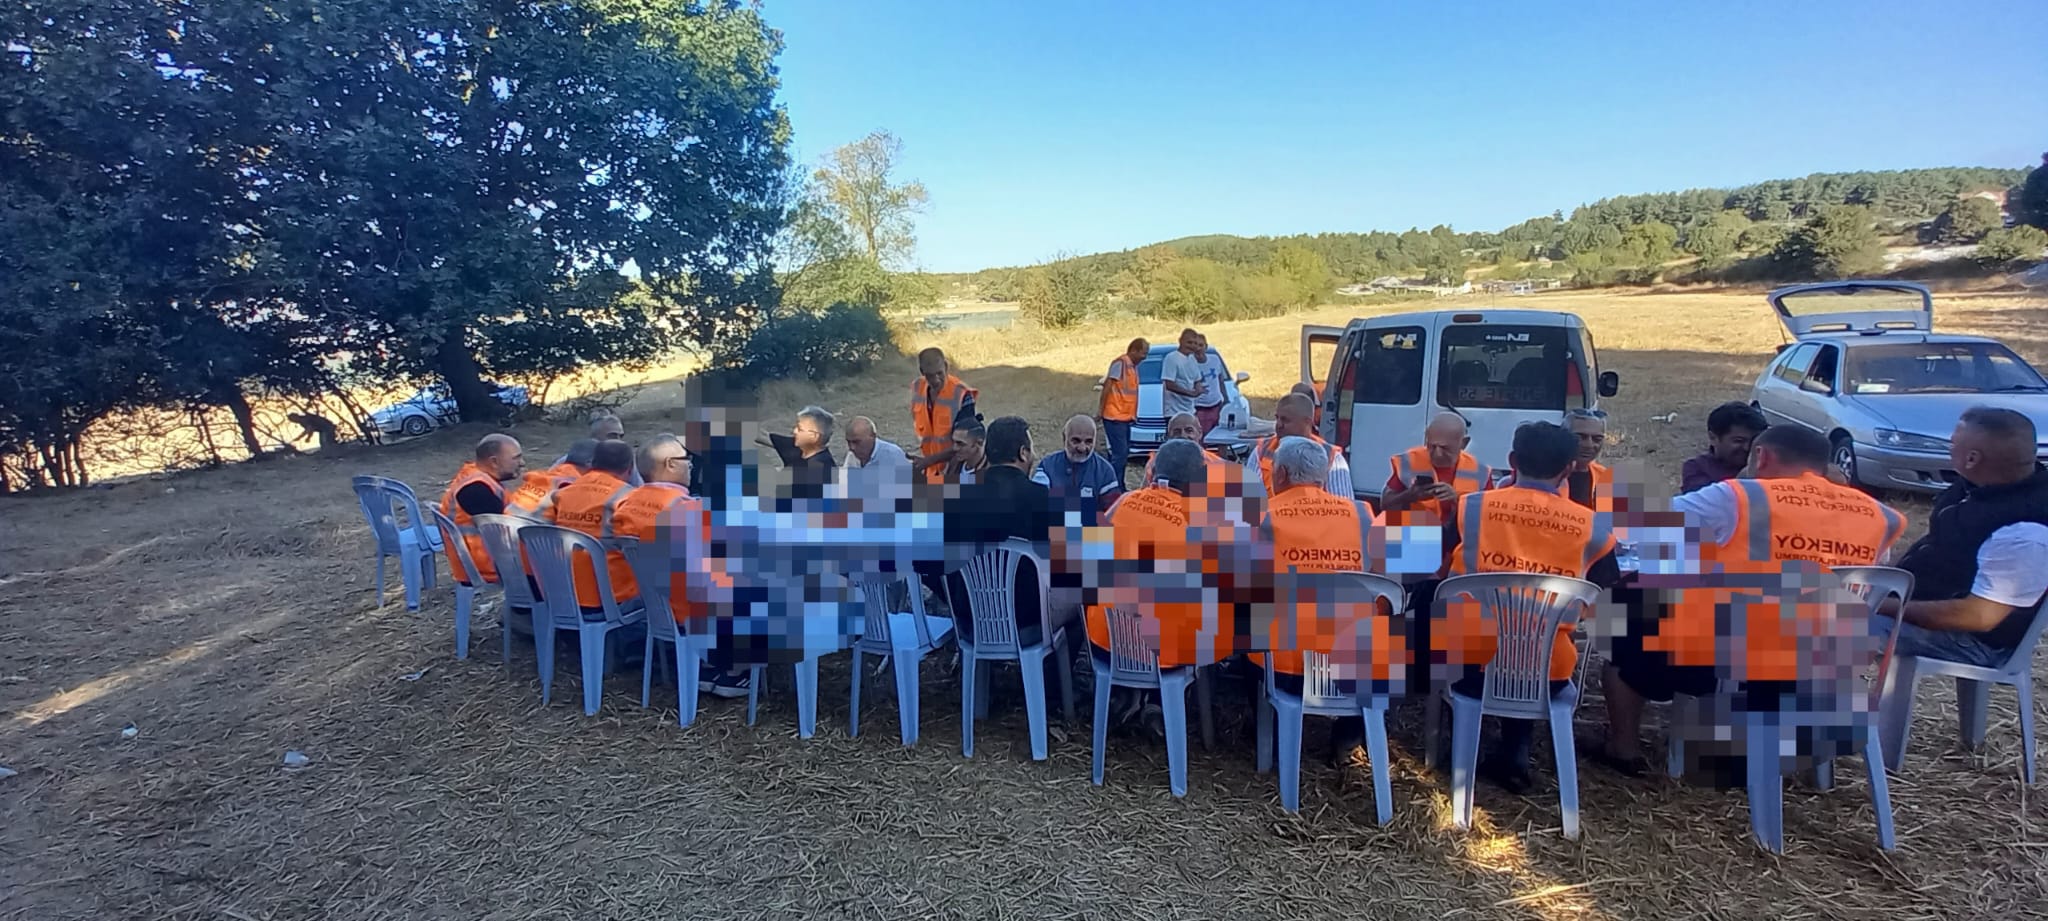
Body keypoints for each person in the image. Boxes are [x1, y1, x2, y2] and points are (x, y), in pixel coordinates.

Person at [1590, 424, 1905, 774]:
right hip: (1830, 668)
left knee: (1620, 628)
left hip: (1741, 667)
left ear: (1761, 456)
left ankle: (1623, 749)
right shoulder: (1881, 516)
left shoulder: (1742, 496)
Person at [1436, 421, 1619, 792]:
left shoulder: (1471, 508)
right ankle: (1515, 751)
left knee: (1437, 609)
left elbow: (1438, 567)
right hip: (1547, 671)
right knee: (1531, 638)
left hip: (1470, 665)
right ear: (1569, 469)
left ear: (1512, 461)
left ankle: (1455, 746)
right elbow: (1603, 587)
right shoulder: (1595, 528)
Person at [1250, 436, 1387, 761]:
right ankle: (1350, 733)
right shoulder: (1364, 514)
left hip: (1285, 666)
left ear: (1279, 475)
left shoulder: (1262, 516)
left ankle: (1268, 734)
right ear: (1323, 478)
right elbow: (1386, 583)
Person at [1879, 407, 2048, 670]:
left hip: (1971, 642)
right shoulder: (1981, 485)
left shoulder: (2025, 531)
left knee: (1823, 627)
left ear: (1972, 459)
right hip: (1915, 605)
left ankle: (1818, 710)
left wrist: (1879, 604)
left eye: (1952, 443)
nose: (1948, 447)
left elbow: (1979, 616)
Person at [942, 417, 1061, 642]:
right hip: (1027, 624)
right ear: (1023, 452)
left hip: (971, 623)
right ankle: (1055, 674)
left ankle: (979, 672)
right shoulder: (1046, 499)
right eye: (1032, 449)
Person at [544, 440, 643, 613]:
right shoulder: (628, 497)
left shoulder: (562, 494)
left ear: (593, 463)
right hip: (614, 598)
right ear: (629, 469)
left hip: (566, 593)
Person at [439, 433, 524, 584]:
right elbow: (506, 531)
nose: (522, 463)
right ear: (494, 462)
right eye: (516, 458)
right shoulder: (476, 490)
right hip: (484, 567)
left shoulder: (474, 473)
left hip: (479, 560)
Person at [1381, 412, 1491, 525]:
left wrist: (1458, 499)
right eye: (1432, 446)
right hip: (1417, 535)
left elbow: (1489, 514)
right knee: (1384, 530)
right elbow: (1385, 504)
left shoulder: (1480, 472)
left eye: (1445, 448)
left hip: (1460, 535)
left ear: (1463, 443)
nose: (1437, 454)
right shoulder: (1408, 462)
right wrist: (1410, 495)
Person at [1497, 408, 1613, 513]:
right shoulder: (1538, 474)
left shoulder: (1605, 478)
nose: (1589, 444)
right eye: (1580, 437)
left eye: (1597, 439)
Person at [1245, 393, 1350, 498]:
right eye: (1277, 418)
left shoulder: (1332, 457)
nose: (1279, 425)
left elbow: (1343, 505)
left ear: (1307, 422)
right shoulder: (1262, 451)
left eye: (1286, 420)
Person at [1034, 415, 1125, 527]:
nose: (1082, 448)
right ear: (1064, 438)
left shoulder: (1105, 471)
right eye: (1076, 441)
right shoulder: (1047, 466)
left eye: (1088, 442)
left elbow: (1113, 514)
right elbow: (1037, 507)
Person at [911, 348, 978, 484]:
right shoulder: (917, 388)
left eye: (940, 373)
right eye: (930, 375)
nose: (936, 380)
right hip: (930, 470)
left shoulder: (962, 394)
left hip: (956, 468)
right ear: (922, 372)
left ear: (946, 366)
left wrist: (928, 461)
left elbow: (965, 443)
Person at [1680, 402, 1767, 495]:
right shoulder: (1697, 468)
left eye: (1753, 440)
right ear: (1713, 438)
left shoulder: (1766, 464)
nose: (1747, 447)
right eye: (1739, 441)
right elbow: (1706, 504)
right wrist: (1747, 473)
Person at [508, 438, 596, 520]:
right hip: (534, 533)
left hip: (503, 527)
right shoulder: (573, 484)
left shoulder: (545, 476)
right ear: (589, 462)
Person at [760, 405, 838, 499]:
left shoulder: (823, 474)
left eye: (800, 429)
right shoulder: (800, 448)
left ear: (814, 437)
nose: (794, 431)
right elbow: (764, 437)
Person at [1099, 338, 1147, 475]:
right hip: (1114, 416)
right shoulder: (1121, 363)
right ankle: (1114, 485)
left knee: (1122, 454)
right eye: (1143, 353)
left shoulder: (1132, 367)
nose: (1145, 357)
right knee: (1119, 454)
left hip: (1124, 417)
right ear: (1134, 351)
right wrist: (1100, 411)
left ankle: (1117, 483)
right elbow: (1107, 387)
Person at [553, 414, 642, 487]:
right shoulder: (570, 460)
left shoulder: (626, 461)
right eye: (612, 435)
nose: (618, 440)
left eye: (621, 436)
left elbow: (638, 489)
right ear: (594, 436)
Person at [1160, 329, 1205, 425]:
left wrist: (1198, 389)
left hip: (1190, 409)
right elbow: (1169, 384)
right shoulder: (1171, 358)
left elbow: (1197, 380)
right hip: (1174, 411)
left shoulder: (1192, 359)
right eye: (1189, 342)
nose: (1192, 346)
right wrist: (1190, 393)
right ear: (1180, 341)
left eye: (1195, 343)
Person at [843, 415, 910, 471]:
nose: (852, 447)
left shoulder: (893, 455)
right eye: (848, 442)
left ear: (873, 436)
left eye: (856, 442)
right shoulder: (852, 456)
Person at [1192, 334, 1226, 437]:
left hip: (1217, 405)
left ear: (1206, 347)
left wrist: (1226, 400)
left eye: (1201, 345)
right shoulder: (1189, 364)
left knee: (1222, 437)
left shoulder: (1215, 359)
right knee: (1202, 438)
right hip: (1200, 409)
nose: (1198, 348)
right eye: (1195, 345)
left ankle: (1222, 454)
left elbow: (1221, 380)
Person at [944, 420, 988, 485]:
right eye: (954, 442)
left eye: (960, 444)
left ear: (979, 443)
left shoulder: (989, 474)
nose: (954, 448)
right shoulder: (954, 462)